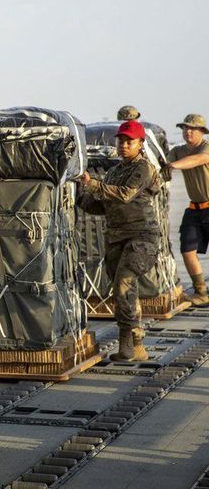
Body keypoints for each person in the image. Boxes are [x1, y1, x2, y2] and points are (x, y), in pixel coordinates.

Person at [79, 120, 162, 361]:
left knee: (124, 283)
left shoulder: (143, 168)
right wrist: (79, 196)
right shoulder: (115, 171)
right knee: (123, 290)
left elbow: (125, 195)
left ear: (140, 144)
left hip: (142, 237)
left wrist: (92, 184)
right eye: (121, 141)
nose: (124, 145)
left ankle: (127, 344)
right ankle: (136, 342)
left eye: (130, 141)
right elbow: (102, 207)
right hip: (116, 238)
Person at [163, 114, 209, 307]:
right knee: (187, 249)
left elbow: (198, 160)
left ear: (201, 132)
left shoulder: (205, 148)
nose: (188, 132)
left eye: (192, 129)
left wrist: (173, 166)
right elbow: (162, 162)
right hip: (194, 208)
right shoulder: (178, 151)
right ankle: (201, 292)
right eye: (184, 128)